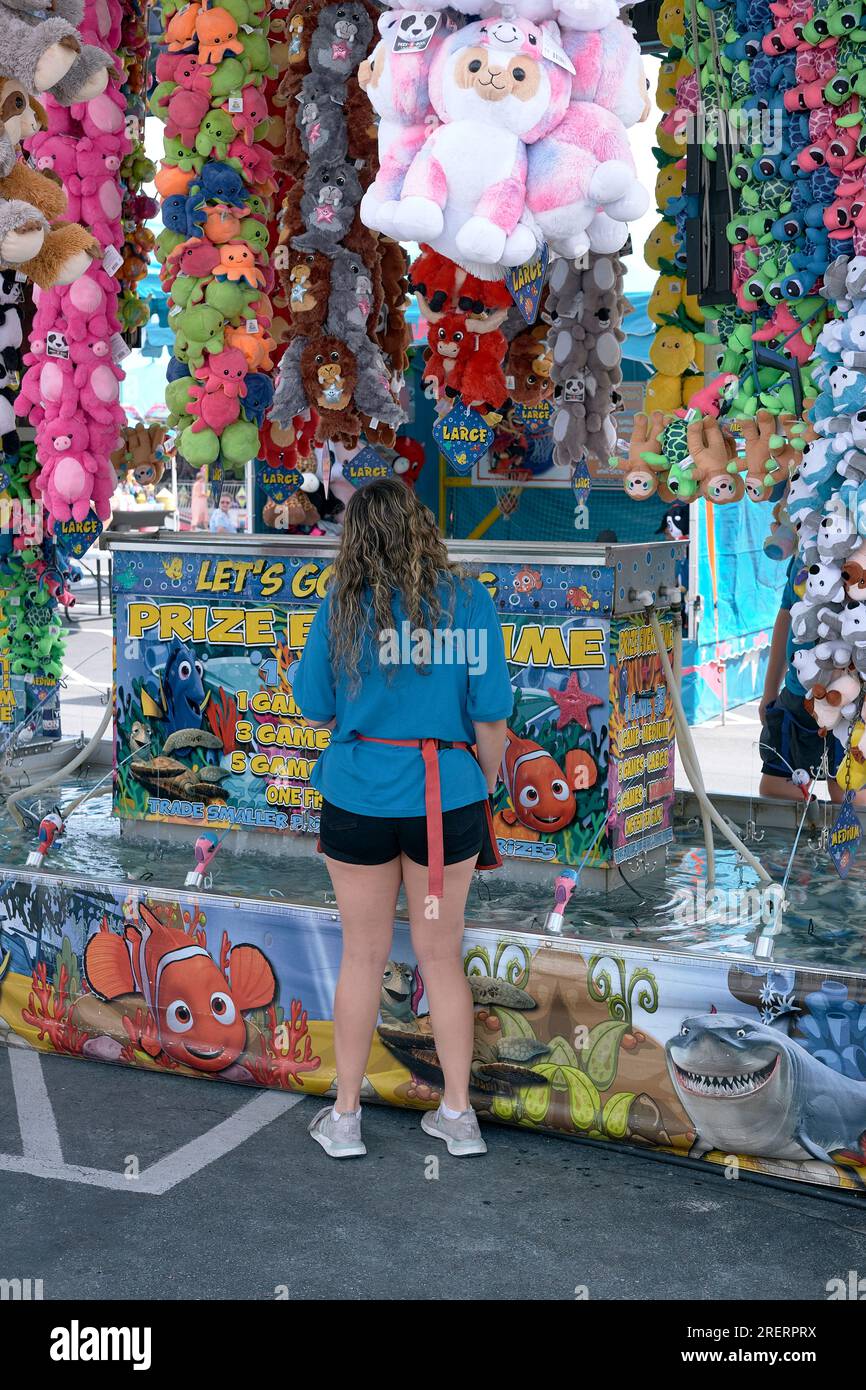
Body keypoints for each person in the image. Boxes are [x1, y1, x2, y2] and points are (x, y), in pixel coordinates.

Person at [293, 478, 513, 1160]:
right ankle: (458, 1116)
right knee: (441, 958)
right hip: (445, 799)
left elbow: (315, 707)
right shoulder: (469, 601)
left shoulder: (343, 606)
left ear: (354, 540)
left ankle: (348, 1118)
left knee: (361, 956)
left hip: (359, 794)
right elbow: (491, 718)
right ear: (423, 528)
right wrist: (480, 784)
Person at [760, 555, 865, 804]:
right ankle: (815, 833)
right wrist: (770, 690)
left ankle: (840, 840)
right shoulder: (804, 554)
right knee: (776, 787)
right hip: (800, 694)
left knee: (849, 796)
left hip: (854, 702)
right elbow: (787, 614)